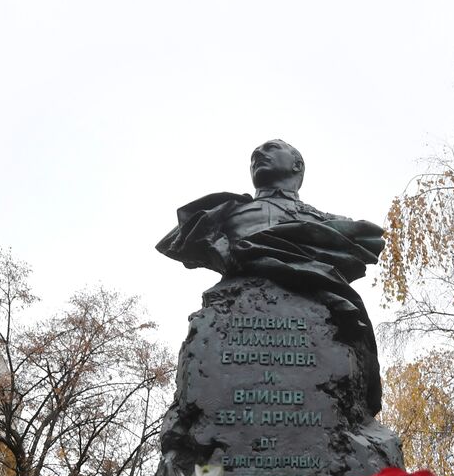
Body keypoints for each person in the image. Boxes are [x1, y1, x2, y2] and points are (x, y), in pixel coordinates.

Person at [157, 139, 386, 412]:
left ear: (297, 166)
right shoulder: (217, 217)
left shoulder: (334, 226)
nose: (258, 155)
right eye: (255, 154)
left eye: (269, 150)